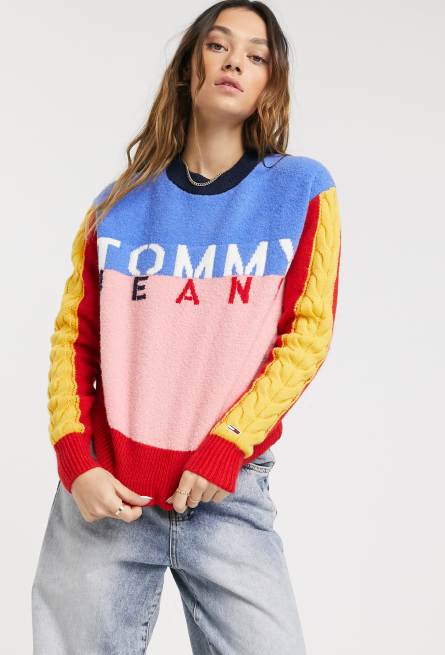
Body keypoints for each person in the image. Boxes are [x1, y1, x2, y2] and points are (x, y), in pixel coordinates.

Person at [31, 1, 342, 653]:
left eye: (256, 56)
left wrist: (227, 445)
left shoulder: (301, 192)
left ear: (270, 82)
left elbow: (306, 335)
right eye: (218, 45)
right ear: (188, 65)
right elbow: (74, 341)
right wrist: (75, 459)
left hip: (227, 492)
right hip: (107, 494)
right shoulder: (116, 205)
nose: (235, 62)